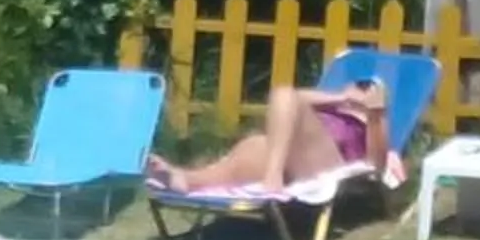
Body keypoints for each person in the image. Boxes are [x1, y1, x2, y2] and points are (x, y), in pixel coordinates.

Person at [147, 74, 392, 195]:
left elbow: (375, 165)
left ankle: (271, 178)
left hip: (331, 166)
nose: (361, 90)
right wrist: (341, 97)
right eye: (359, 84)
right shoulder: (328, 108)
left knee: (283, 94)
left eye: (368, 87)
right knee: (255, 144)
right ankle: (187, 179)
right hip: (292, 163)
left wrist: (374, 114)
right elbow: (298, 97)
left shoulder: (374, 121)